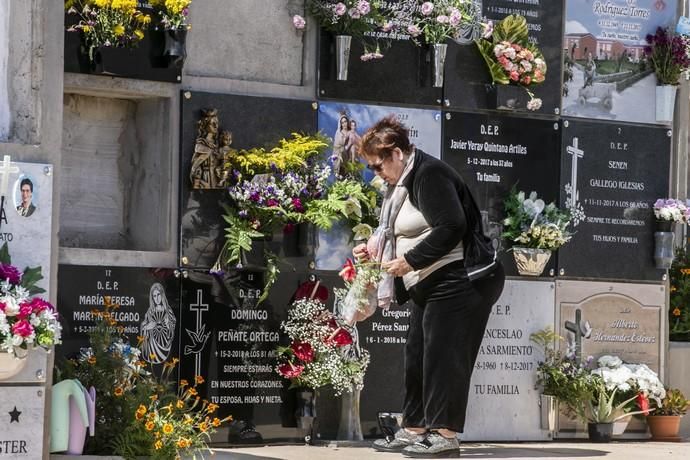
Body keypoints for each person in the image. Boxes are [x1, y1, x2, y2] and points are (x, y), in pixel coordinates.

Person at [353, 116, 505, 458]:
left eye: (377, 166)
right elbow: (400, 231)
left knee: (444, 357)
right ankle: (414, 428)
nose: (376, 174)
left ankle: (445, 435)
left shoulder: (429, 174)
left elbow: (452, 225)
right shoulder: (402, 182)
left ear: (395, 154)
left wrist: (410, 261)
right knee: (418, 354)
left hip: (461, 279)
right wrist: (371, 248)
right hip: (430, 281)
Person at [140, 283, 177, 364]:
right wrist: (147, 327)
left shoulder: (168, 310)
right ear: (152, 298)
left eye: (158, 295)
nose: (157, 298)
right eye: (154, 296)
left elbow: (173, 324)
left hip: (164, 344)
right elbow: (143, 325)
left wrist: (168, 325)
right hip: (152, 345)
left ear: (162, 295)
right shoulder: (150, 311)